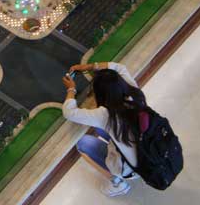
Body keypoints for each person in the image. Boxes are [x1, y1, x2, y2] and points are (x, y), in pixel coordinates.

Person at [62, 62, 146, 197]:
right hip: (148, 151)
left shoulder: (105, 114)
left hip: (132, 168)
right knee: (101, 130)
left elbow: (69, 112)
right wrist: (89, 66)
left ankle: (117, 182)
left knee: (83, 143)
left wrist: (71, 89)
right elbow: (120, 68)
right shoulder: (134, 93)